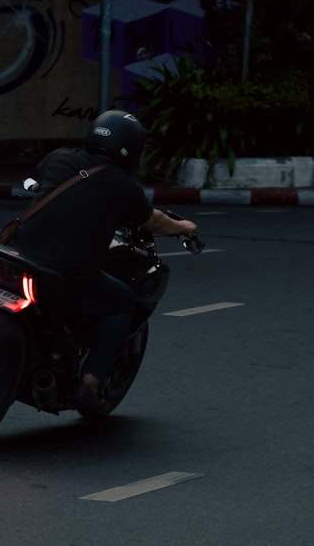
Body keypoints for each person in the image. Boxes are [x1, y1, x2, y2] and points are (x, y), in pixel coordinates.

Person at [13, 109, 197, 411]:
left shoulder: (60, 157)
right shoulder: (123, 187)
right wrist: (184, 227)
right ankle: (90, 382)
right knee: (122, 300)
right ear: (132, 150)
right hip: (66, 274)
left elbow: (39, 179)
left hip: (18, 252)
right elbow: (153, 220)